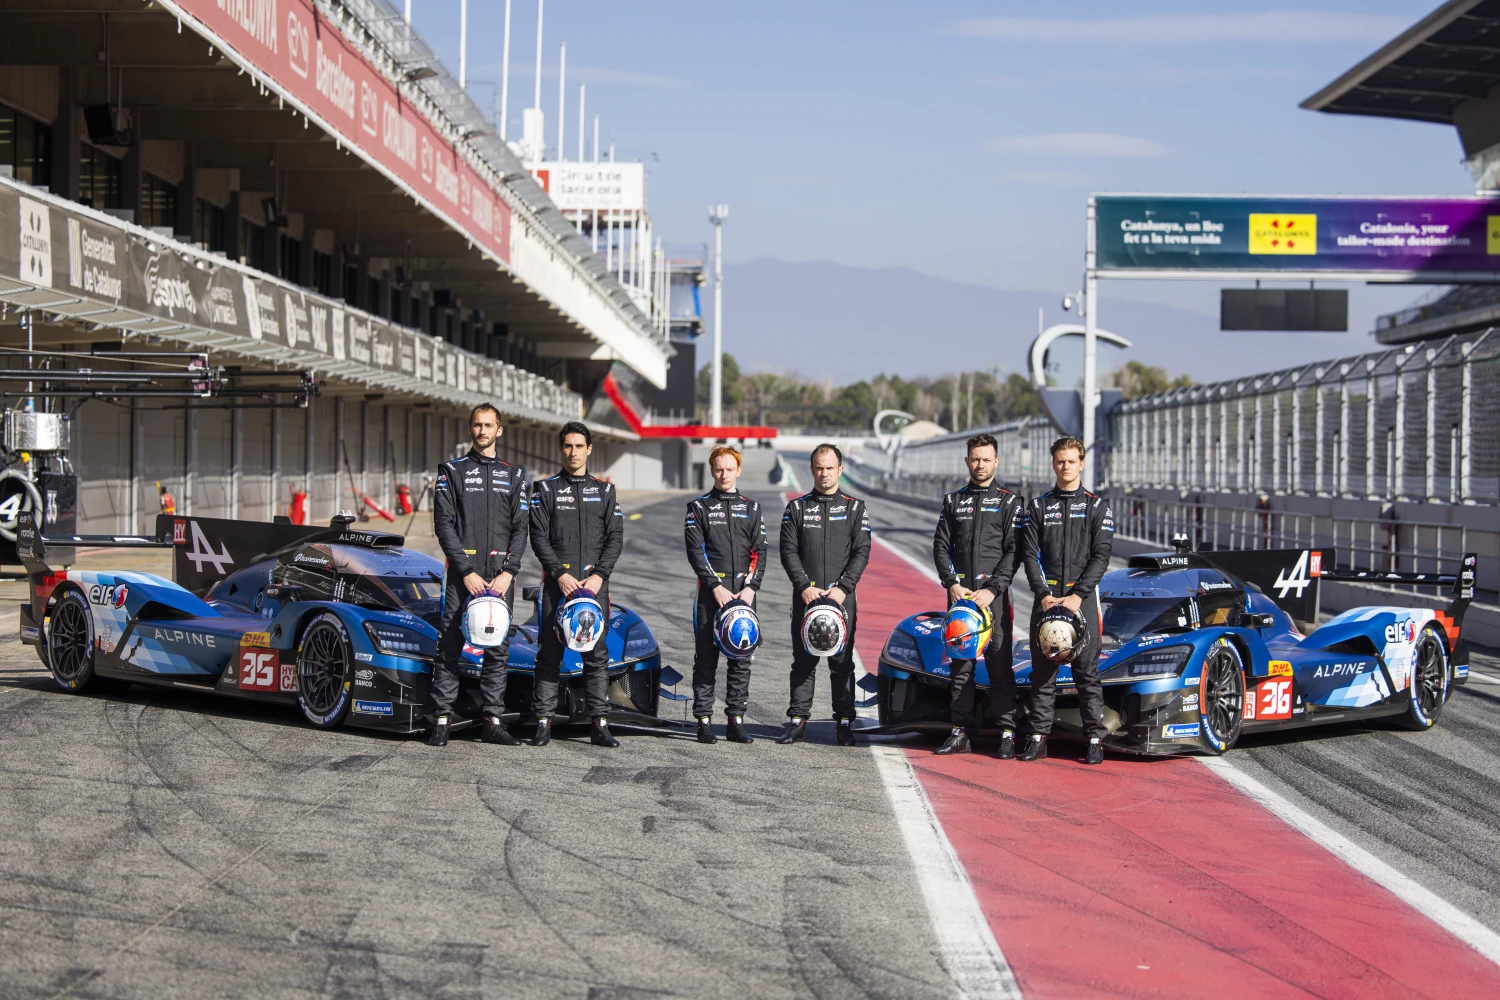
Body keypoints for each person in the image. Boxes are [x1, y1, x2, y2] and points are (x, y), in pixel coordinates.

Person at [427, 403, 528, 748]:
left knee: (498, 646)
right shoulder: (451, 471)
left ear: (499, 430)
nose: (483, 430)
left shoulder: (514, 475)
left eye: (489, 425)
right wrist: (465, 570)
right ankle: (442, 718)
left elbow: (520, 528)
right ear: (470, 429)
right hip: (462, 574)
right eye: (477, 425)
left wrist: (509, 572)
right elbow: (443, 525)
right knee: (451, 643)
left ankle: (492, 720)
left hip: (499, 575)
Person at [1017, 437, 1114, 765]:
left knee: (1087, 673)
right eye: (1060, 461)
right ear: (1053, 463)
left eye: (1071, 461)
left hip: (1081, 600)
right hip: (1046, 601)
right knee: (1042, 673)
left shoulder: (1097, 507)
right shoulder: (1039, 507)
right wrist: (1044, 595)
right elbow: (1029, 554)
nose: (1065, 466)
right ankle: (1038, 737)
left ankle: (1094, 738)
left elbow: (1102, 556)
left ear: (1081, 463)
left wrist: (1077, 595)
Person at [529, 421, 626, 748]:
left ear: (589, 450)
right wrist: (560, 573)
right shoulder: (544, 489)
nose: (573, 452)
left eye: (579, 446)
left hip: (595, 586)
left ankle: (599, 724)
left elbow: (615, 538)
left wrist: (599, 574)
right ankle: (543, 722)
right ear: (561, 450)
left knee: (597, 654)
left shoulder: (605, 491)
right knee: (549, 654)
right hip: (558, 586)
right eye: (567, 446)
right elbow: (538, 538)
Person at [932, 433, 1023, 758]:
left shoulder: (1010, 502)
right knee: (960, 667)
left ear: (996, 462)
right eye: (975, 458)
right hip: (960, 598)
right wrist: (952, 583)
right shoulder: (953, 501)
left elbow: (1015, 551)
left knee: (1000, 667)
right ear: (967, 461)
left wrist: (992, 589)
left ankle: (1007, 734)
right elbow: (940, 546)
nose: (980, 464)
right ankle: (959, 733)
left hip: (993, 601)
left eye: (986, 459)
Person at [778, 443, 871, 746]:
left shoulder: (855, 508)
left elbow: (862, 551)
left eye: (830, 467)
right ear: (811, 469)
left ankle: (844, 722)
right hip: (807, 595)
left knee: (842, 662)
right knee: (803, 660)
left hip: (842, 597)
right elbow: (788, 551)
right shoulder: (797, 508)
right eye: (819, 467)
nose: (824, 473)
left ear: (840, 470)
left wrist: (844, 588)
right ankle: (798, 720)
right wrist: (804, 586)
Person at [684, 445, 767, 745]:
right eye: (718, 469)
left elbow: (760, 551)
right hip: (710, 596)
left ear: (738, 471)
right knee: (706, 659)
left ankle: (736, 720)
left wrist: (750, 588)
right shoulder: (698, 508)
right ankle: (704, 720)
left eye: (729, 468)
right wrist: (716, 587)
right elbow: (696, 553)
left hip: (744, 595)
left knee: (741, 658)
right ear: (711, 471)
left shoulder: (752, 508)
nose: (724, 474)